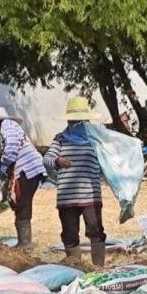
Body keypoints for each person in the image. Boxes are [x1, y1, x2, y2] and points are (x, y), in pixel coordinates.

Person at [43, 97, 106, 266]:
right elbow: (46, 159)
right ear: (69, 121)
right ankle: (75, 268)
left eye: (81, 120)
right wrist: (57, 161)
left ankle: (98, 268)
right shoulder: (60, 138)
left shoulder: (96, 139)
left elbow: (110, 160)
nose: (78, 123)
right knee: (70, 235)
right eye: (74, 120)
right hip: (67, 198)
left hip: (90, 196)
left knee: (96, 231)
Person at [0, 107, 46, 249]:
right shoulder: (11, 128)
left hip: (26, 170)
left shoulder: (7, 126)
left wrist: (4, 163)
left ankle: (25, 243)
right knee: (22, 203)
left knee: (22, 204)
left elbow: (12, 148)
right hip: (30, 169)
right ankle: (24, 241)